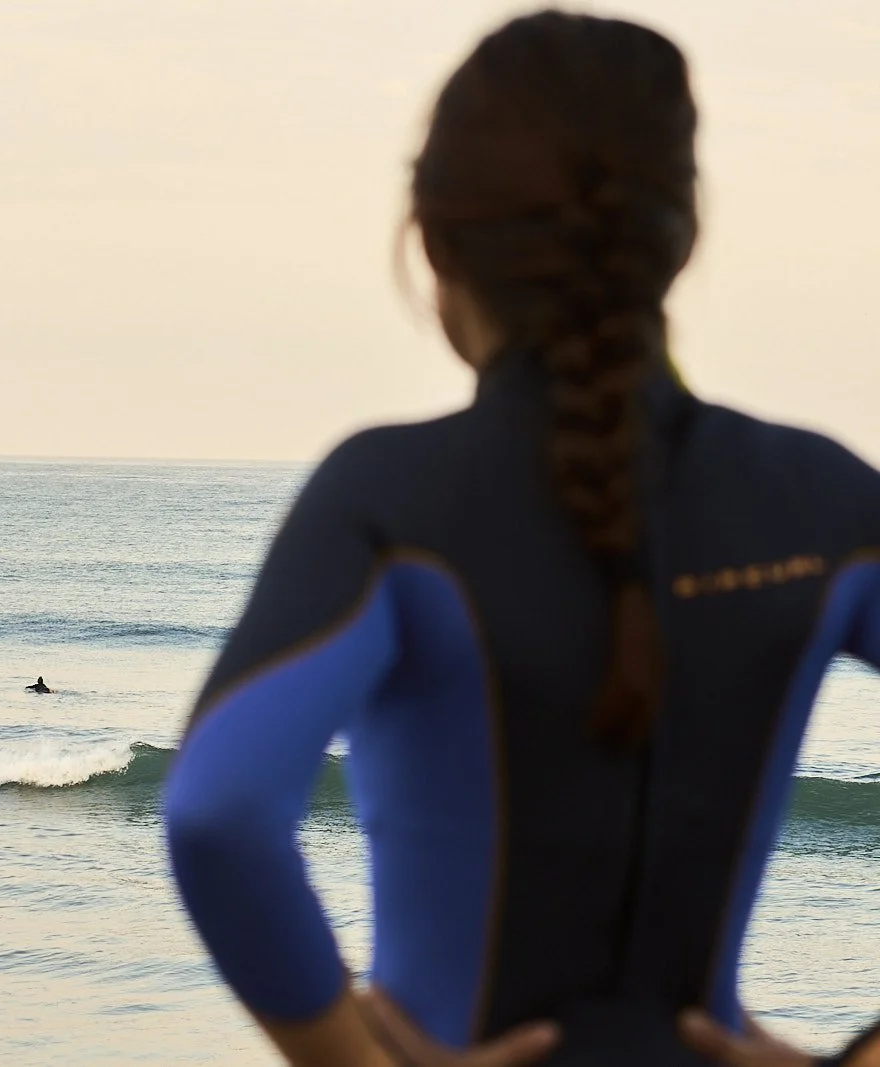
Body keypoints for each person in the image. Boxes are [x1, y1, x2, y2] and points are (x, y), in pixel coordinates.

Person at [163, 12, 880, 1067]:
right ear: (678, 237)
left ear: (435, 238)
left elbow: (219, 812)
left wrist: (347, 1059)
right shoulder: (821, 497)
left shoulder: (391, 495)